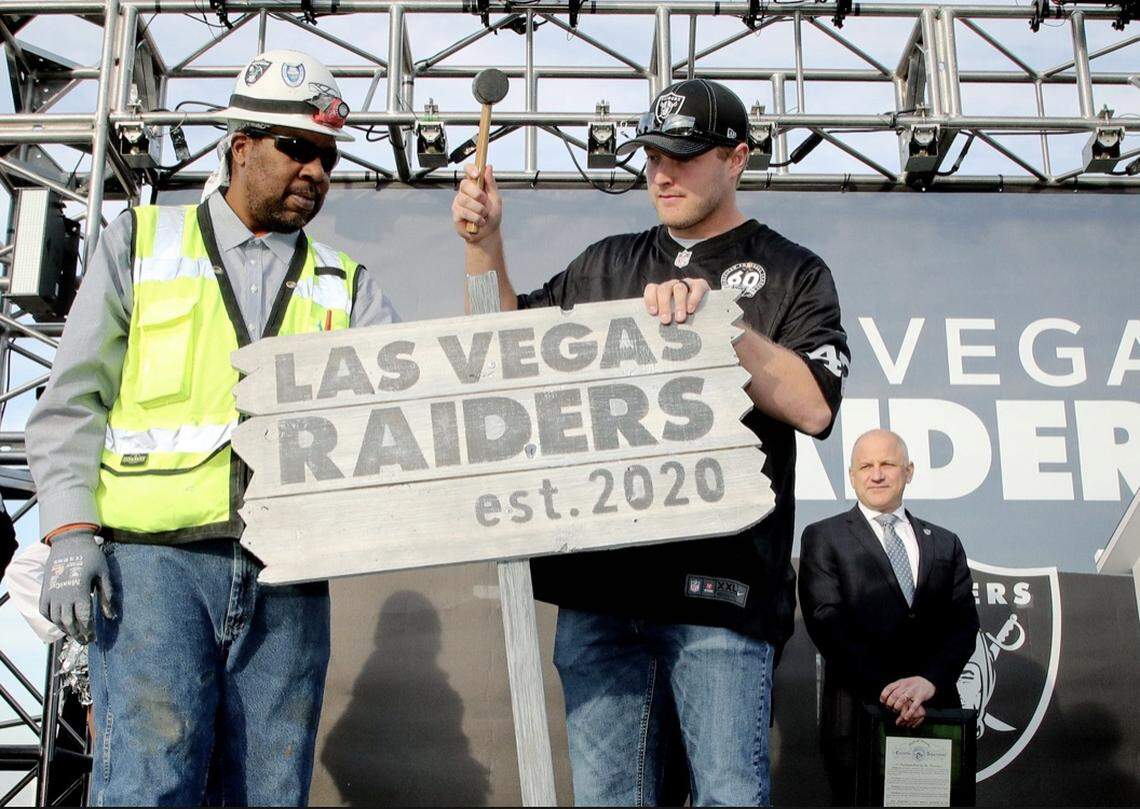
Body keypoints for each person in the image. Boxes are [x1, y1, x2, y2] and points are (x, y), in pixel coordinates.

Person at [452, 78, 850, 806]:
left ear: (737, 159)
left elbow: (815, 405)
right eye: (652, 155)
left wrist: (720, 326)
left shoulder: (795, 269)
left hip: (720, 596)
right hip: (603, 592)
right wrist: (485, 246)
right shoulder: (606, 260)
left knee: (728, 796)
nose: (663, 173)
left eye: (686, 156)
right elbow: (505, 349)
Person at [27, 49, 395, 806]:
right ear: (241, 147)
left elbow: (423, 402)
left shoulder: (347, 283)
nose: (316, 171)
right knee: (146, 786)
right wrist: (68, 530)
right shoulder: (142, 241)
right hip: (152, 572)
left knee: (267, 792)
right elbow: (72, 400)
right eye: (296, 147)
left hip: (285, 575)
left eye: (327, 156)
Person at [798, 428, 980, 805]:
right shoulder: (824, 537)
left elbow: (963, 625)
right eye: (865, 465)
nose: (876, 474)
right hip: (858, 717)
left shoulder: (945, 542)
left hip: (937, 714)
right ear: (852, 475)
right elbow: (826, 622)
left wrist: (929, 682)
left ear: (908, 471)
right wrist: (893, 692)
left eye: (887, 464)